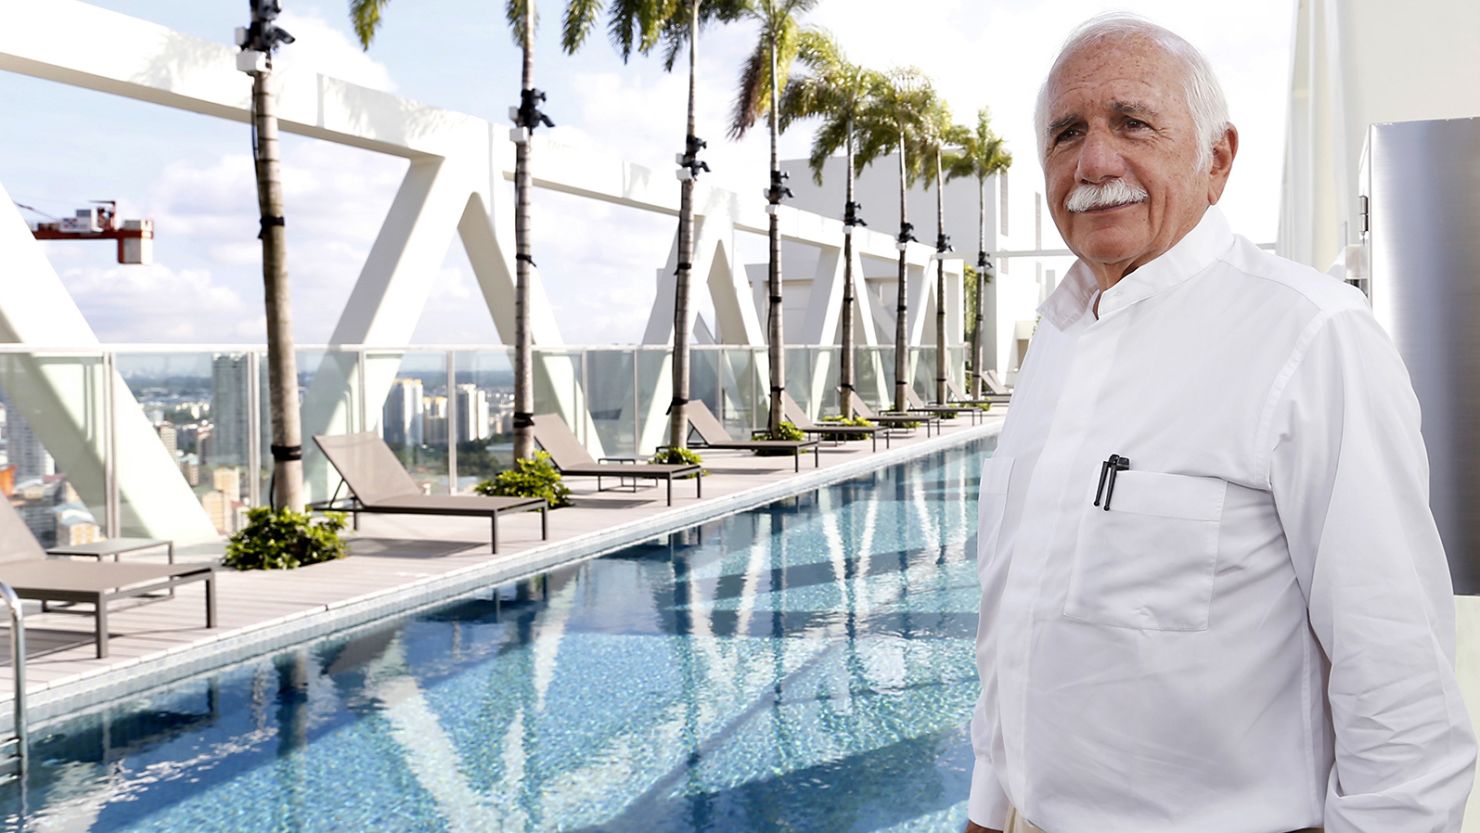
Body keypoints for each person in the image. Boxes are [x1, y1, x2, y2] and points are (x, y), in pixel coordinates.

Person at [966, 14, 1476, 833]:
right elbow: (1019, 623)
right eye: (1067, 133)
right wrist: (991, 808)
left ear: (1218, 159)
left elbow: (1400, 688)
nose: (1095, 162)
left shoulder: (1311, 337)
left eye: (1132, 122)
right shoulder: (1056, 340)